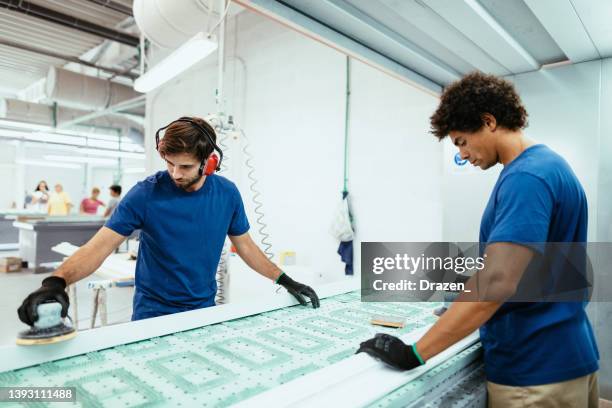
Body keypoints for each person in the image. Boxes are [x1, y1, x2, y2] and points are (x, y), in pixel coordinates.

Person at [356, 72, 599, 407]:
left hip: (533, 369)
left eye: (461, 141)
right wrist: (461, 307)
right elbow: (522, 268)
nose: (462, 154)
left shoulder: (525, 178)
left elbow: (497, 281)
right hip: (565, 351)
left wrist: (414, 352)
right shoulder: (550, 166)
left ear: (488, 121)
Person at [18, 116, 319, 324]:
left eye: (185, 166)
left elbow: (248, 247)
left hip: (202, 310)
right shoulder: (144, 194)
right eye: (170, 163)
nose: (175, 173)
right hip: (152, 313)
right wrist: (55, 282)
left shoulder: (227, 194)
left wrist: (286, 280)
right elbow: (99, 247)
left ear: (209, 163)